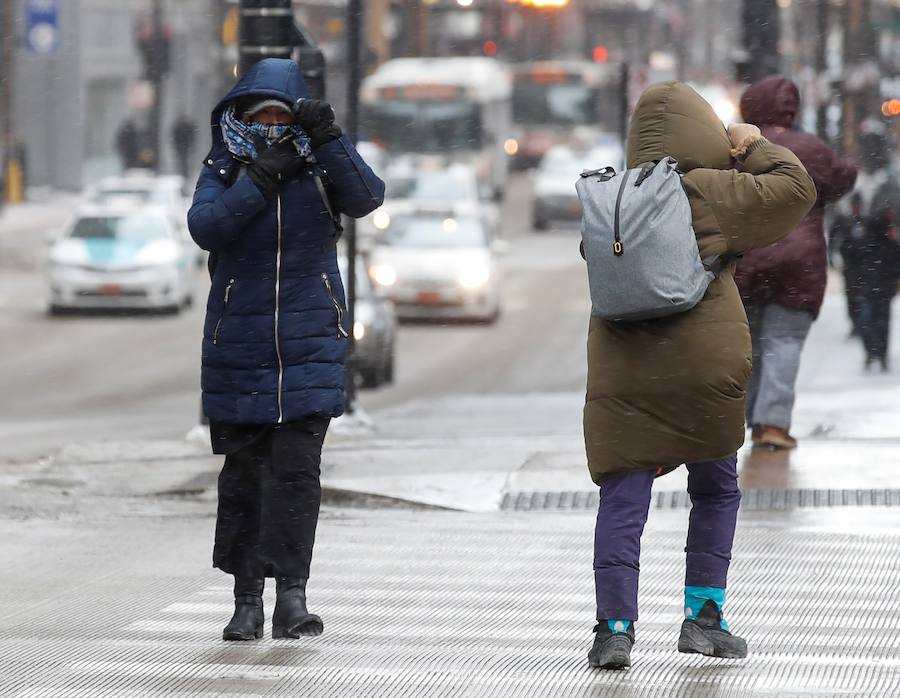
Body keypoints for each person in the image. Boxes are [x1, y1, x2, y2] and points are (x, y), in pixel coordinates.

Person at [585, 81, 816, 669]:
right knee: (714, 490)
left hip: (622, 372)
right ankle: (703, 617)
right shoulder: (710, 190)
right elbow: (797, 190)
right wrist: (752, 143)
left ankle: (614, 628)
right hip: (701, 368)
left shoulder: (613, 195)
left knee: (623, 498)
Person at [187, 58, 384, 642]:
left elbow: (367, 195)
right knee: (245, 478)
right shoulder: (225, 164)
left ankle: (291, 599)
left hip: (310, 347)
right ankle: (246, 599)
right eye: (261, 114)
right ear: (240, 115)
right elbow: (207, 226)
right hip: (239, 351)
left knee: (296, 478)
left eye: (281, 114)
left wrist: (328, 137)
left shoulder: (320, 162)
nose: (271, 124)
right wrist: (258, 178)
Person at [734, 76, 857, 450]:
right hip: (800, 259)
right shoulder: (812, 149)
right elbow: (840, 180)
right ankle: (773, 423)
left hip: (748, 256)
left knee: (749, 345)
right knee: (784, 341)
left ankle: (751, 420)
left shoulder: (736, 147)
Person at [856, 180, 900, 370]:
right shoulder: (885, 242)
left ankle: (876, 352)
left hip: (875, 286)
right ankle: (878, 352)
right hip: (878, 286)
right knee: (878, 321)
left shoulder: (873, 242)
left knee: (871, 321)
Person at [171, 114, 198, 183]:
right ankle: (185, 173)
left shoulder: (179, 125)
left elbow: (175, 135)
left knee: (182, 160)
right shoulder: (187, 125)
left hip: (182, 145)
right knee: (185, 160)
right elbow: (192, 135)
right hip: (185, 145)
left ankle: (183, 173)